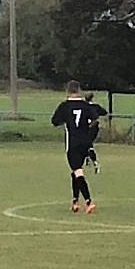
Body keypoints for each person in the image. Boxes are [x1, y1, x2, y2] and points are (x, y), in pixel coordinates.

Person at [51, 80, 98, 214]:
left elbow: (55, 121)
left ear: (67, 91)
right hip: (85, 143)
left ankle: (89, 201)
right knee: (75, 172)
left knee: (78, 171)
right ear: (79, 90)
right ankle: (75, 201)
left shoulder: (64, 106)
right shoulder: (85, 105)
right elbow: (95, 118)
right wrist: (87, 128)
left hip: (72, 143)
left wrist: (67, 122)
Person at [84, 92, 108, 174]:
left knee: (88, 144)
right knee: (87, 144)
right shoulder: (95, 107)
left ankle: (94, 162)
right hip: (94, 128)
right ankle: (88, 158)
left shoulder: (84, 107)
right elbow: (104, 112)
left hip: (88, 128)